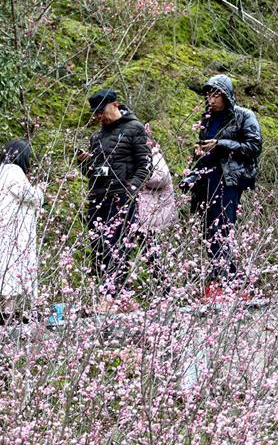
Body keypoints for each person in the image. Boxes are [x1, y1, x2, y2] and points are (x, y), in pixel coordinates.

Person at [181, 74, 262, 296]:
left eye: (216, 94)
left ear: (226, 94)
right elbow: (204, 152)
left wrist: (220, 144)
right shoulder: (206, 119)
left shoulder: (244, 116)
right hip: (206, 180)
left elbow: (253, 146)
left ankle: (223, 283)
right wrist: (192, 169)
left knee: (222, 229)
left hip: (228, 180)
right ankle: (232, 283)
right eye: (208, 94)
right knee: (209, 233)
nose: (211, 99)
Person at [77, 90, 152, 307]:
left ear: (115, 105)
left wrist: (131, 189)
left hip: (122, 199)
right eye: (96, 114)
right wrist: (85, 163)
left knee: (117, 248)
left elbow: (145, 165)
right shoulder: (96, 137)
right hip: (98, 197)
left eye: (101, 111)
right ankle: (116, 298)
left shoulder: (135, 129)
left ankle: (113, 298)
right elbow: (94, 172)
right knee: (99, 248)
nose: (99, 116)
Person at [0, 139, 44, 324]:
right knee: (16, 270)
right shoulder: (14, 171)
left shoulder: (1, 173)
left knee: (8, 272)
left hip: (5, 230)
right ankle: (15, 315)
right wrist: (40, 191)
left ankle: (8, 313)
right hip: (16, 232)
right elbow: (28, 195)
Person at [136, 126, 178, 289]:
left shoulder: (153, 155)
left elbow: (161, 177)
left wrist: (136, 178)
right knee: (147, 251)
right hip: (144, 211)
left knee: (150, 251)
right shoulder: (142, 156)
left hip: (152, 212)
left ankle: (164, 286)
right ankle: (162, 285)